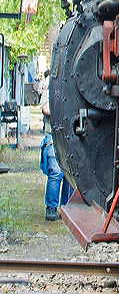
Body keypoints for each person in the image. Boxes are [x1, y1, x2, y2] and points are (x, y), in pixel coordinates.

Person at [39, 76, 70, 220]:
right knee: (56, 173)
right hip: (53, 136)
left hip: (70, 137)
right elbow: (46, 108)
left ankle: (66, 207)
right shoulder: (51, 84)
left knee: (70, 176)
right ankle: (51, 208)